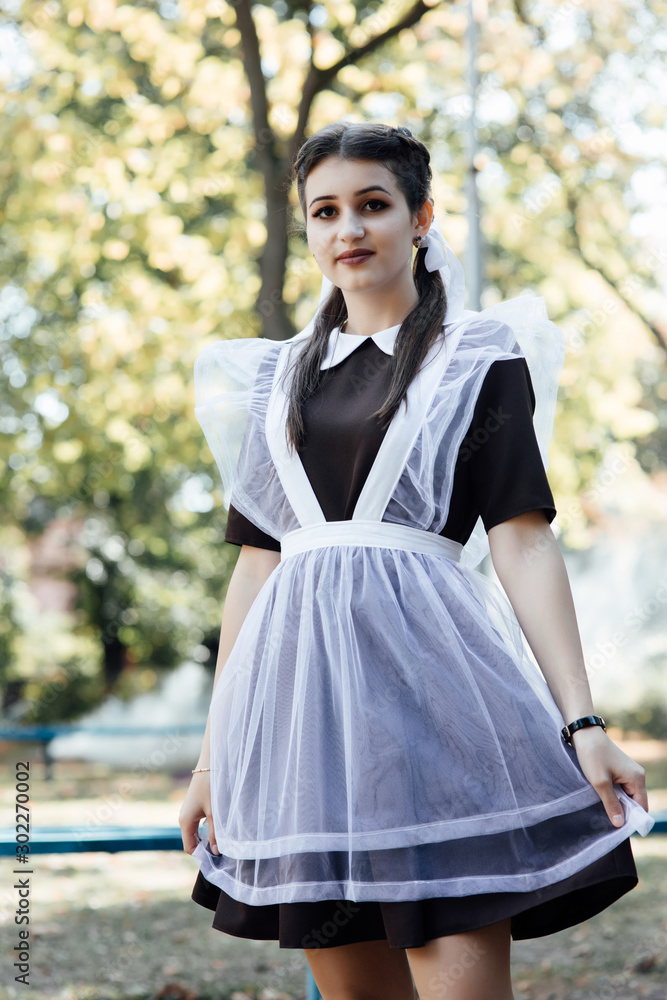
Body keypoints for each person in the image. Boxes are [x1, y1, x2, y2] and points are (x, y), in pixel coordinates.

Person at [179, 121, 654, 1000]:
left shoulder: (477, 357)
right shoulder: (275, 380)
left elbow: (522, 540)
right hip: (306, 737)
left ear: (420, 217)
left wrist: (581, 723)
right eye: (324, 211)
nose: (347, 229)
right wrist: (213, 763)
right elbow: (255, 569)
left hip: (439, 717)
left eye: (372, 205)